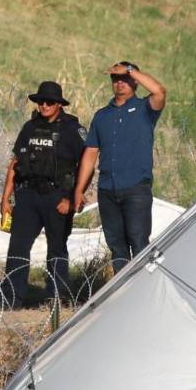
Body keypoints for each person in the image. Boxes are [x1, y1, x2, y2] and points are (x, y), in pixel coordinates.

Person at [73, 61, 167, 273]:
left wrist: (131, 71)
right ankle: (123, 294)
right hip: (107, 189)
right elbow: (90, 155)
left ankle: (145, 292)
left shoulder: (145, 108)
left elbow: (159, 91)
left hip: (136, 189)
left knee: (139, 242)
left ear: (135, 80)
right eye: (116, 78)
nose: (120, 83)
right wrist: (79, 189)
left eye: (125, 78)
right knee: (117, 247)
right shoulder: (102, 116)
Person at [0, 81, 87, 308]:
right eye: (40, 102)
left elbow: (86, 165)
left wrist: (72, 197)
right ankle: (12, 298)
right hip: (27, 194)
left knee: (56, 247)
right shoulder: (30, 127)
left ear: (59, 104)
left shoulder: (72, 129)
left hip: (57, 196)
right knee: (18, 246)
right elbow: (16, 162)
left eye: (49, 102)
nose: (44, 106)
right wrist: (5, 198)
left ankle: (57, 297)